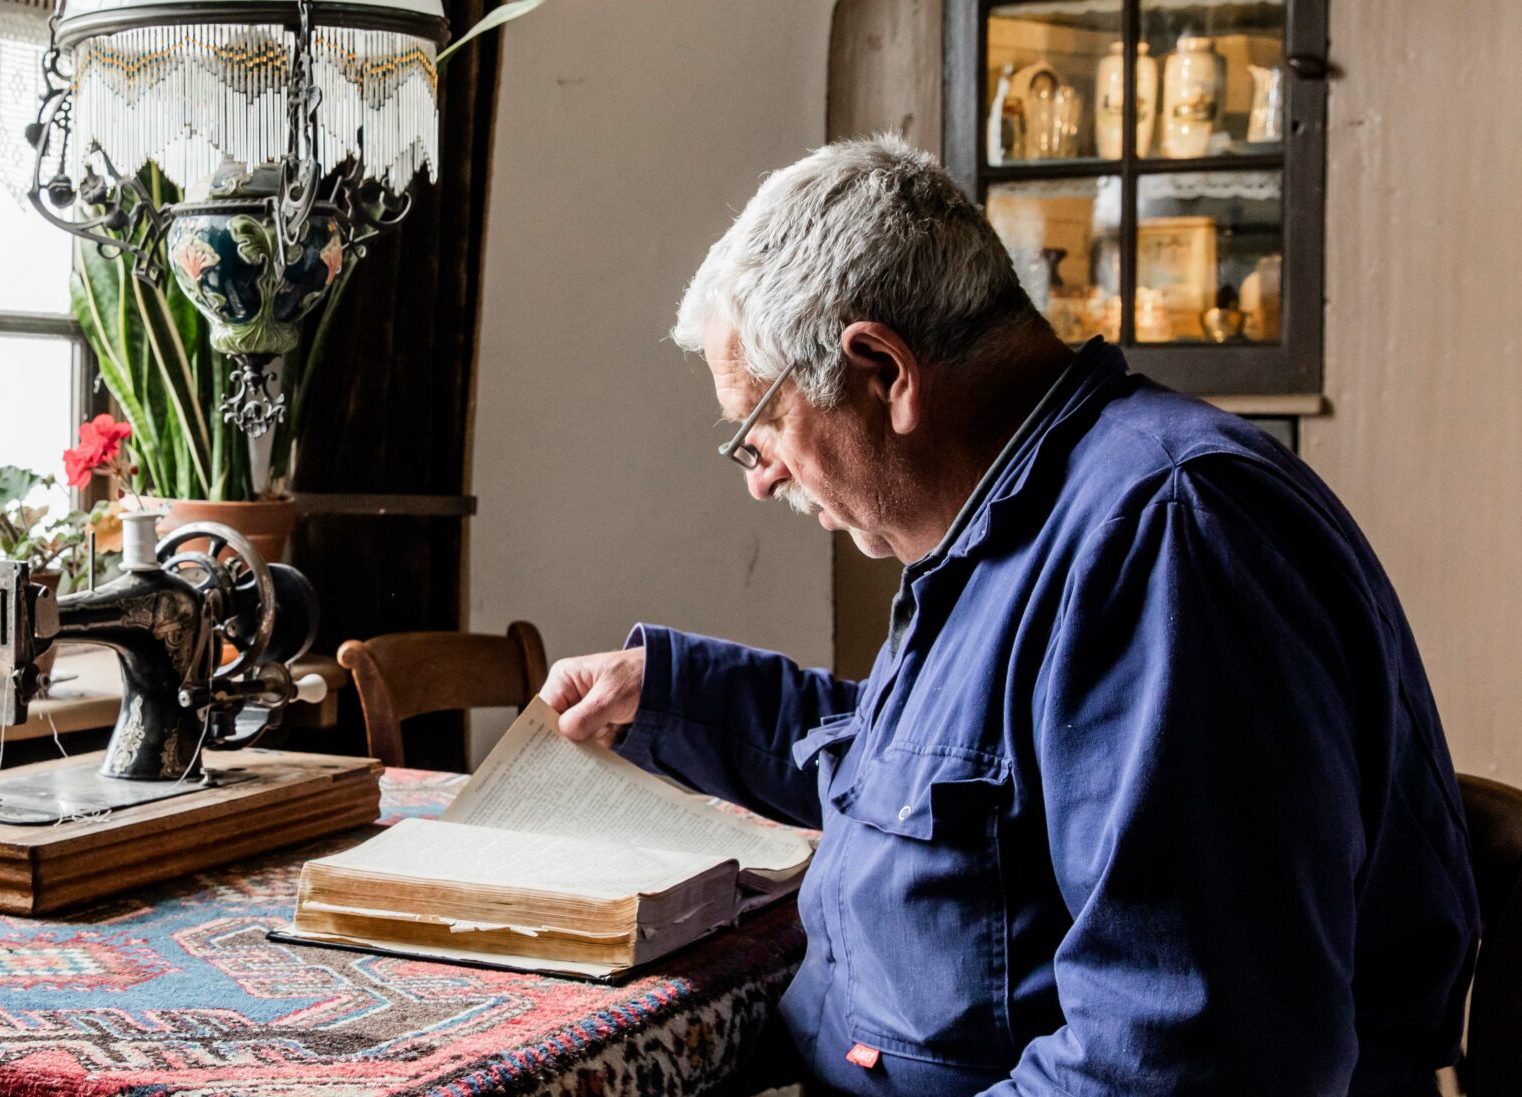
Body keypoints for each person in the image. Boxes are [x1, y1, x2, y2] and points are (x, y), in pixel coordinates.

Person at [539, 136, 1479, 1095]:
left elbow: (1189, 1060)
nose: (765, 476)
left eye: (762, 430)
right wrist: (672, 693)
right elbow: (935, 779)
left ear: (883, 371)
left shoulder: (1164, 541)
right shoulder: (1013, 522)